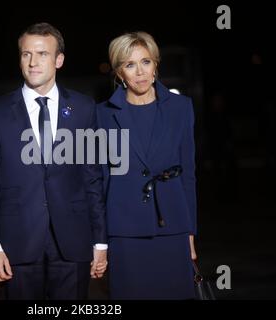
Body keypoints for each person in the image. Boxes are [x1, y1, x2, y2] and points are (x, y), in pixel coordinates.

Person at [0, 22, 107, 300]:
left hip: (73, 241)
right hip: (16, 245)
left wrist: (100, 240)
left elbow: (92, 176)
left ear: (59, 60)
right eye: (25, 54)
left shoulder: (83, 108)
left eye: (42, 54)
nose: (33, 62)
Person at [97, 31, 198, 299]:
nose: (140, 72)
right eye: (130, 65)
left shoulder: (181, 107)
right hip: (125, 233)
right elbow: (100, 181)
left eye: (145, 62)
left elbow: (188, 174)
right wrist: (101, 241)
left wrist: (190, 231)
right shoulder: (102, 115)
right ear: (119, 72)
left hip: (173, 228)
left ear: (155, 64)